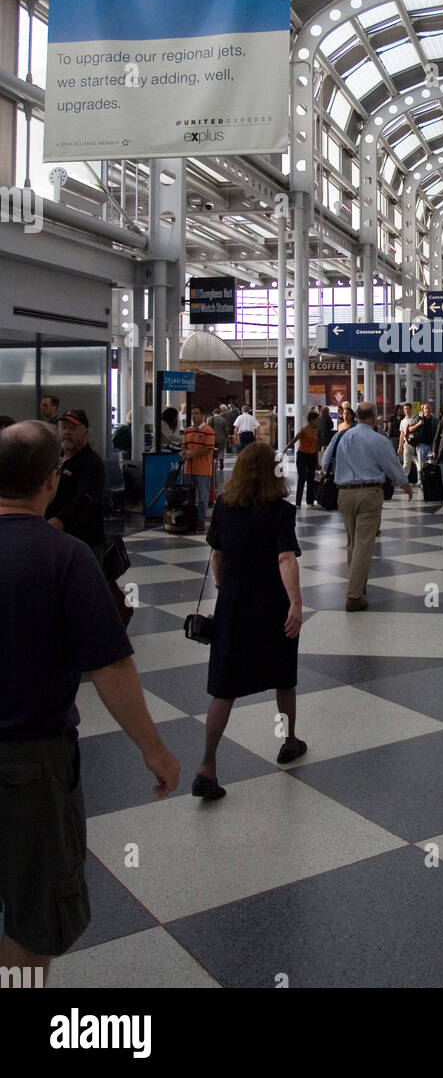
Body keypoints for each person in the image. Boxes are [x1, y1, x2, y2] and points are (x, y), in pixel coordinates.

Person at [0, 422, 179, 976]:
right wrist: (155, 750)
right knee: (33, 916)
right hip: (33, 763)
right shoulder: (67, 558)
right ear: (52, 480)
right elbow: (110, 665)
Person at [194, 442, 305, 799]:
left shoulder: (224, 507)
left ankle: (207, 765)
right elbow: (285, 559)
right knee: (283, 678)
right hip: (271, 605)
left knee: (224, 688)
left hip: (234, 606)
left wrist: (225, 588)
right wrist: (296, 604)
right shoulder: (281, 511)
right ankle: (288, 741)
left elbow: (216, 558)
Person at [320, 402, 411, 611]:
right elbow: (391, 465)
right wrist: (405, 485)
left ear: (357, 416)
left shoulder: (341, 436)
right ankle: (353, 595)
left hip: (343, 493)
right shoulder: (377, 439)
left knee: (352, 541)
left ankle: (357, 583)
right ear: (373, 416)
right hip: (369, 493)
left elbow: (325, 463)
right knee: (364, 543)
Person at [45, 410, 106, 564]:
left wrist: (60, 519)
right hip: (56, 538)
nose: (67, 432)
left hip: (84, 541)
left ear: (85, 432)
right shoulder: (56, 460)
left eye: (72, 428)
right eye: (63, 428)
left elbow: (86, 497)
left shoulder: (91, 462)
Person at [182, 405, 216, 532]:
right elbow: (184, 446)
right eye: (192, 413)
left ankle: (200, 520)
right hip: (188, 468)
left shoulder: (208, 430)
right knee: (188, 495)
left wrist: (193, 454)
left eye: (197, 413)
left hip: (202, 469)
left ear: (202, 415)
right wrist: (185, 453)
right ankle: (189, 518)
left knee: (202, 496)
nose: (194, 416)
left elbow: (208, 448)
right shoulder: (187, 431)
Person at [288, 410, 321, 507]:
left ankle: (310, 501)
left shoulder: (316, 431)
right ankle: (298, 503)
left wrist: (317, 462)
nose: (318, 421)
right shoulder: (304, 430)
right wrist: (284, 450)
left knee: (311, 478)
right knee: (302, 478)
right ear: (311, 420)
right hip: (302, 455)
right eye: (317, 420)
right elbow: (295, 440)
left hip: (311, 455)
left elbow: (316, 447)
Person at [406, 402, 435, 471]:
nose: (427, 410)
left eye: (429, 408)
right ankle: (421, 480)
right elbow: (410, 429)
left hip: (431, 445)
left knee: (430, 463)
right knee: (421, 464)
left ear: (431, 409)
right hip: (421, 444)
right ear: (423, 410)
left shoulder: (434, 420)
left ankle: (428, 480)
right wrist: (418, 424)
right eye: (426, 408)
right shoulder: (418, 418)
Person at [398, 403, 415, 477]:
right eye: (405, 409)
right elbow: (402, 434)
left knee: (418, 463)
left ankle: (421, 481)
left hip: (415, 443)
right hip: (407, 444)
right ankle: (403, 480)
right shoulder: (402, 421)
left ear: (411, 409)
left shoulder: (415, 419)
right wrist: (400, 446)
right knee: (406, 463)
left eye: (408, 408)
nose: (407, 410)